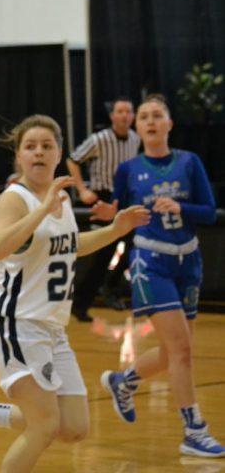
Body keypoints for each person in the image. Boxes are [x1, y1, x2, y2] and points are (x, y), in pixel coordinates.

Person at [0, 114, 149, 471]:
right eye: (30, 146)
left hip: (53, 329)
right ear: (19, 157)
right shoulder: (14, 199)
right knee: (44, 427)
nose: (38, 152)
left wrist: (115, 230)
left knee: (74, 428)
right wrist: (41, 210)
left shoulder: (61, 198)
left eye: (46, 146)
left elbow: (70, 245)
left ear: (59, 154)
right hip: (18, 325)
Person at [90, 94, 223, 458]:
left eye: (157, 115)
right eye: (144, 116)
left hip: (189, 261)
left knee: (173, 352)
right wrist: (106, 214)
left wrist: (182, 206)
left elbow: (210, 212)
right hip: (151, 262)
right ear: (137, 127)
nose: (150, 121)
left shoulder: (189, 162)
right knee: (181, 350)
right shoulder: (129, 170)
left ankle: (122, 382)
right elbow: (118, 217)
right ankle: (194, 429)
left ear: (169, 124)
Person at [66, 97, 141, 321]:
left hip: (125, 197)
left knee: (137, 243)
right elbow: (73, 159)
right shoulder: (99, 139)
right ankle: (80, 303)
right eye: (120, 111)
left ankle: (111, 284)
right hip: (103, 197)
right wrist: (82, 189)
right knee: (102, 255)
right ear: (112, 116)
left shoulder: (136, 139)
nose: (125, 115)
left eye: (128, 111)